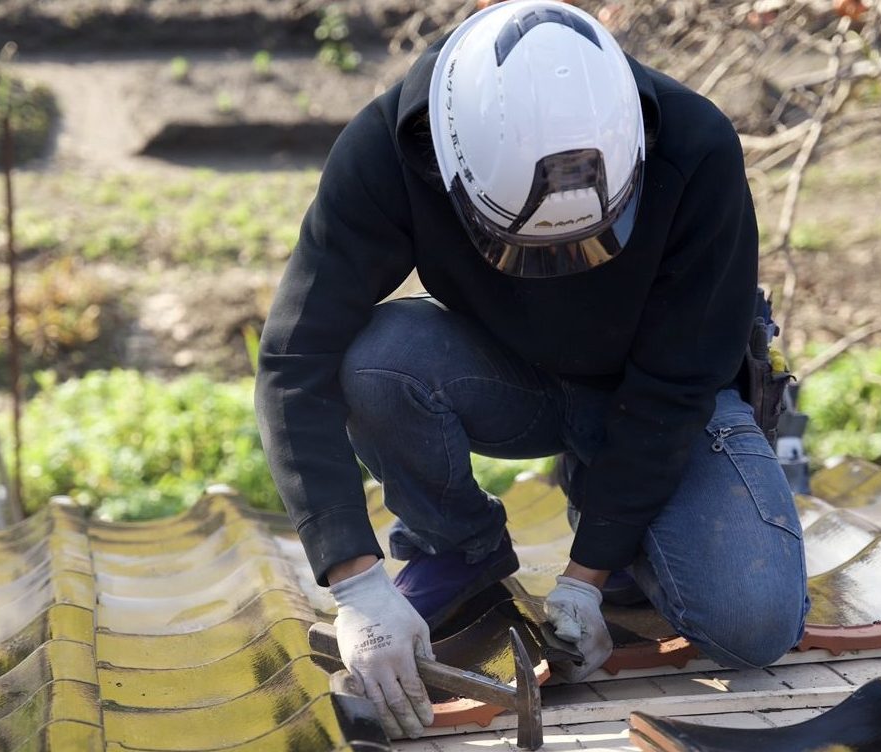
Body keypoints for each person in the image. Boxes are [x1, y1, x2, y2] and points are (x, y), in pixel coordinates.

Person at [255, 0, 810, 740]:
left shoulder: (694, 145)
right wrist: (353, 581)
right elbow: (296, 358)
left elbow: (675, 384)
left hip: (671, 397)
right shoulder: (389, 148)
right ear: (449, 165)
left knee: (751, 626)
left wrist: (585, 576)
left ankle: (622, 529)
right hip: (520, 379)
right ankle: (458, 550)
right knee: (374, 359)